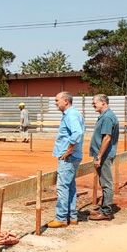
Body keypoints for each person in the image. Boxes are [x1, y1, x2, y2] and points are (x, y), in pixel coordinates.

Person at [48, 92, 85, 228]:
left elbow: (77, 133)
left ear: (66, 101)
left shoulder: (71, 115)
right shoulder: (73, 114)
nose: (55, 103)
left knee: (62, 186)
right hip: (73, 155)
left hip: (69, 157)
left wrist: (68, 150)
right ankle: (72, 217)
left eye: (57, 100)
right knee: (70, 186)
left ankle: (61, 218)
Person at [88, 94, 119, 221]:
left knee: (106, 183)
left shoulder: (107, 117)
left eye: (94, 102)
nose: (93, 104)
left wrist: (99, 156)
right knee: (104, 182)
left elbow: (107, 138)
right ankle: (103, 209)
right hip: (103, 155)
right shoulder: (105, 116)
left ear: (103, 102)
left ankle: (106, 212)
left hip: (104, 156)